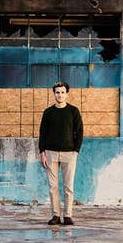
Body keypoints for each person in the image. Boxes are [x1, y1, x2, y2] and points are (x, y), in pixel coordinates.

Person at [38, 81, 83, 226]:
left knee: (68, 186)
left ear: (67, 94)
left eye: (63, 92)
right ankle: (56, 215)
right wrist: (42, 152)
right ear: (54, 94)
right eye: (57, 92)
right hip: (50, 153)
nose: (60, 95)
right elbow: (42, 133)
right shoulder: (48, 112)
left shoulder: (73, 111)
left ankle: (68, 215)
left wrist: (76, 151)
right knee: (53, 187)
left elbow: (79, 132)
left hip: (69, 153)